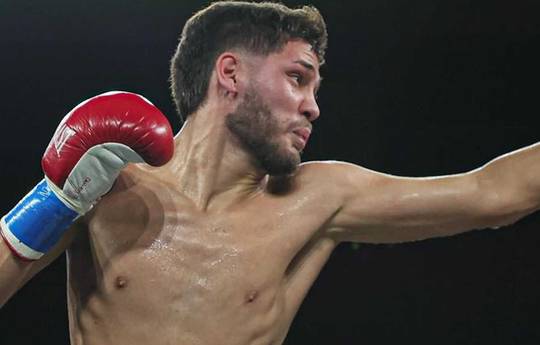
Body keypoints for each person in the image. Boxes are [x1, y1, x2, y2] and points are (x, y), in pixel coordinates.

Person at [0, 1, 539, 344]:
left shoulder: (316, 197)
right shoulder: (110, 184)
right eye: (297, 79)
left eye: (315, 90)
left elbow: (493, 192)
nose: (313, 107)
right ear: (230, 74)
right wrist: (55, 201)